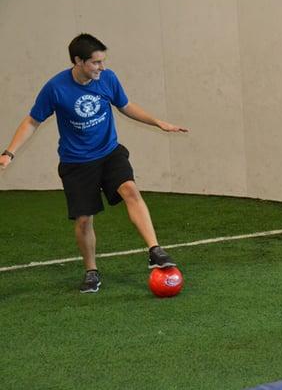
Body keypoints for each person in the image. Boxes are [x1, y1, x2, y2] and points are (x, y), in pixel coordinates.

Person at [0, 33, 188, 293]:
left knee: (130, 190)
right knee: (84, 220)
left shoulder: (108, 78)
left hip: (109, 152)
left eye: (103, 61)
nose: (102, 67)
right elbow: (33, 121)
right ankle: (91, 271)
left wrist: (157, 122)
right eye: (95, 62)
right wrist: (9, 152)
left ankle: (155, 250)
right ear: (78, 61)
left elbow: (125, 105)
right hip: (76, 162)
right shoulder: (56, 88)